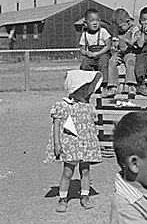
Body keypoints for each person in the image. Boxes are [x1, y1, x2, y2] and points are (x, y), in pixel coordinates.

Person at [44, 70, 103, 212]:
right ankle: (62, 198)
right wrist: (57, 143)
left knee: (86, 170)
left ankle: (85, 195)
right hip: (70, 145)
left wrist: (93, 142)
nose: (87, 93)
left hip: (85, 144)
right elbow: (56, 125)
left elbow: (91, 126)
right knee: (67, 172)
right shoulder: (63, 106)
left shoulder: (88, 107)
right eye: (84, 90)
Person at [105, 8, 137, 97]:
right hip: (121, 53)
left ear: (128, 22)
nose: (119, 29)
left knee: (130, 62)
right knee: (112, 61)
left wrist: (126, 40)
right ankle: (112, 86)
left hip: (130, 52)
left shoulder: (134, 30)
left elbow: (135, 44)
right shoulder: (120, 32)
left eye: (120, 27)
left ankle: (131, 85)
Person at [79, 9, 112, 93]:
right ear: (86, 23)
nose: (95, 23)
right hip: (91, 55)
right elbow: (82, 49)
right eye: (91, 20)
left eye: (97, 20)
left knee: (103, 62)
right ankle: (90, 83)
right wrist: (86, 53)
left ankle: (104, 85)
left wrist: (98, 53)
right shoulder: (84, 34)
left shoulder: (103, 32)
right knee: (84, 64)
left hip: (103, 53)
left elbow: (108, 46)